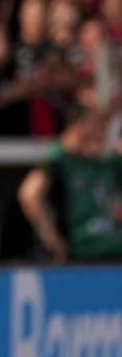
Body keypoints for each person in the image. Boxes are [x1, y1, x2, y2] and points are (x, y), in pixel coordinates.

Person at [18, 107, 122, 263]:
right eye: (96, 126)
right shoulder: (59, 162)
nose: (102, 133)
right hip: (79, 258)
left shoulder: (108, 163)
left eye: (103, 127)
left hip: (114, 254)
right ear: (77, 128)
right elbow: (29, 195)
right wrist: (53, 240)